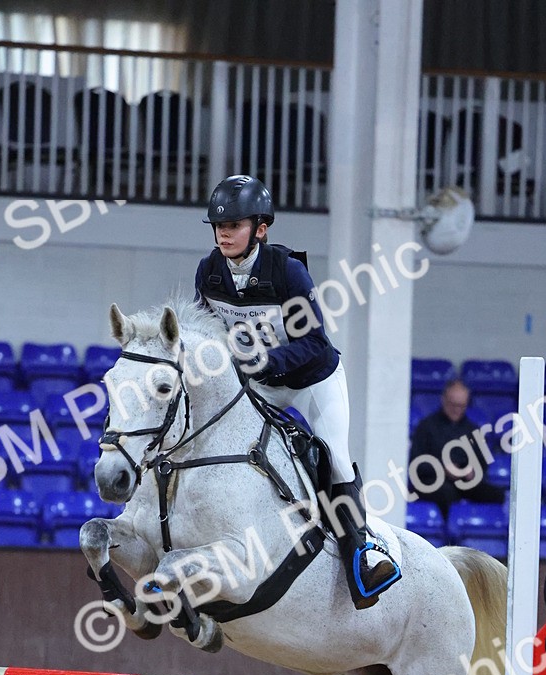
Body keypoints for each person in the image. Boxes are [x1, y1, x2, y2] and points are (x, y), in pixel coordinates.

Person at [194, 174, 400, 609]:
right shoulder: (209, 272)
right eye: (219, 225)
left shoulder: (288, 272)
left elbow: (314, 343)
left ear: (261, 229)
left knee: (334, 456)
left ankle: (361, 554)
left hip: (312, 380)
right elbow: (204, 333)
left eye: (234, 224)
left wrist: (270, 362)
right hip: (261, 386)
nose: (224, 233)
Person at [408, 378, 505, 517]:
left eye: (461, 406)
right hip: (432, 482)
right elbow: (416, 465)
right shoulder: (426, 426)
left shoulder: (472, 429)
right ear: (444, 400)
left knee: (496, 495)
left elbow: (483, 464)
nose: (457, 410)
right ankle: (449, 535)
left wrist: (472, 472)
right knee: (446, 493)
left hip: (465, 483)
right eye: (453, 404)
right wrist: (444, 469)